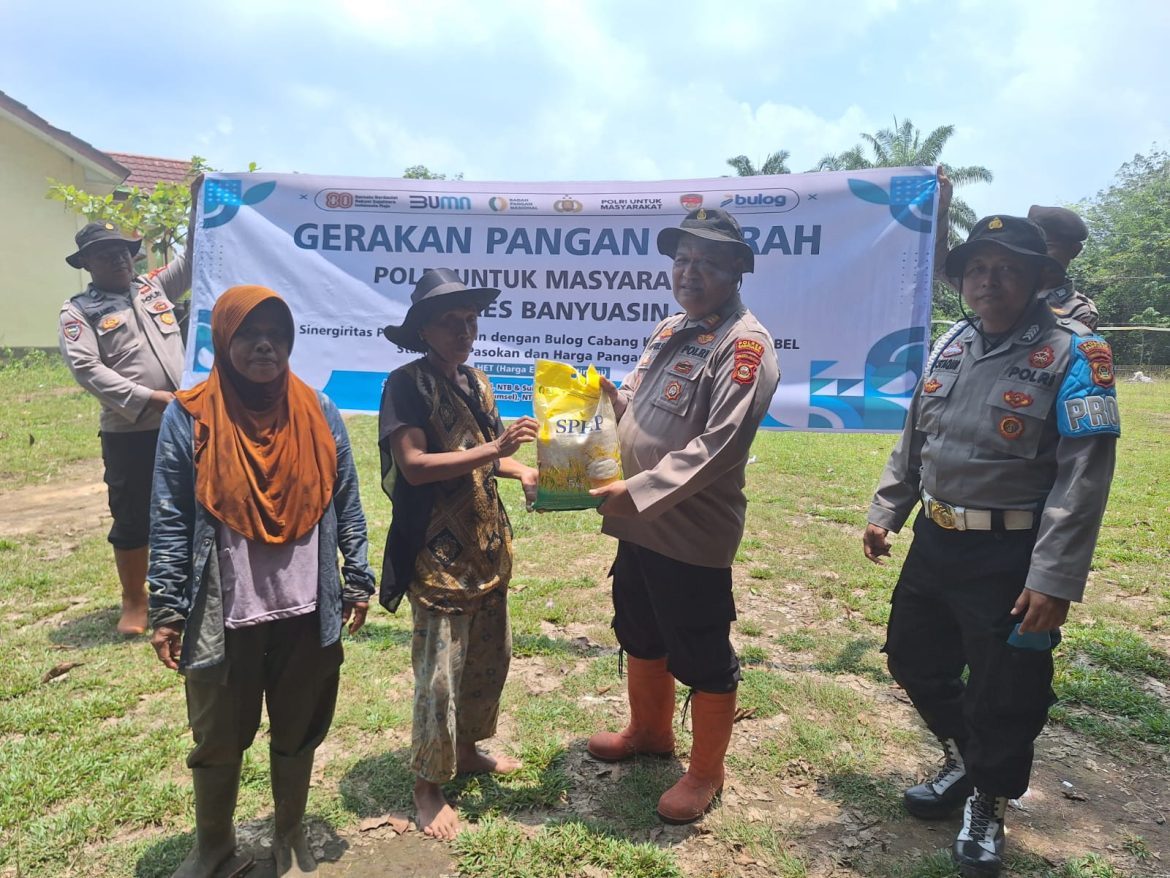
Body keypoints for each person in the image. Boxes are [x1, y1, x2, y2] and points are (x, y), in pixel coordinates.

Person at [864, 216, 1119, 877]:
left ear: (1041, 278)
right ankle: (966, 760)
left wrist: (1055, 576)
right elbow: (917, 434)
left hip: (1012, 555)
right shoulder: (951, 342)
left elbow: (1082, 473)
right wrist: (888, 510)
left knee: (1007, 689)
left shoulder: (1076, 353)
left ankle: (987, 798)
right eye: (978, 268)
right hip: (936, 538)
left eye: (1007, 268)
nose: (989, 280)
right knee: (913, 660)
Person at [148, 286, 375, 878]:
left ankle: (289, 834)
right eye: (249, 333)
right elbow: (170, 515)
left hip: (307, 606)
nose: (265, 345)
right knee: (219, 733)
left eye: (276, 332)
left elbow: (345, 497)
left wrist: (357, 576)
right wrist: (168, 607)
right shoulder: (190, 414)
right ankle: (214, 847)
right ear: (224, 339)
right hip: (225, 608)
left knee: (299, 726)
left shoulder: (317, 410)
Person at [587, 208, 780, 825]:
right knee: (640, 630)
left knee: (699, 649)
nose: (689, 272)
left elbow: (721, 445)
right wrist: (609, 404)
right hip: (638, 522)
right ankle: (649, 733)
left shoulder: (744, 344)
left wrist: (636, 492)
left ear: (736, 272)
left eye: (707, 263)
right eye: (682, 260)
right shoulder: (673, 328)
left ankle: (705, 773)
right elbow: (644, 410)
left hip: (688, 529)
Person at [378, 268, 539, 840]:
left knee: (487, 662)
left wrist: (521, 469)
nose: (465, 332)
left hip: (486, 549)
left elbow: (493, 458)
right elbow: (415, 466)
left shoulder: (477, 382)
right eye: (451, 323)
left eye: (471, 321)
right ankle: (427, 784)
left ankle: (467, 751)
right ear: (423, 328)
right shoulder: (405, 384)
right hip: (436, 557)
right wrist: (493, 449)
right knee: (440, 676)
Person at [58, 185, 198, 635]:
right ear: (87, 265)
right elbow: (86, 368)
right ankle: (135, 600)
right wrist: (148, 399)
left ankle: (185, 589)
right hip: (129, 429)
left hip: (184, 422)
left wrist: (202, 205)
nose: (118, 260)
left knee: (193, 504)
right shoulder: (79, 311)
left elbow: (196, 258)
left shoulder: (155, 287)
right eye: (105, 255)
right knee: (134, 512)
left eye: (122, 252)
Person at [1027, 204, 1098, 330]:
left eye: (1048, 246)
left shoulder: (1078, 309)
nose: (1039, 254)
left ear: (1074, 250)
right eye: (1034, 247)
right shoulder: (1013, 292)